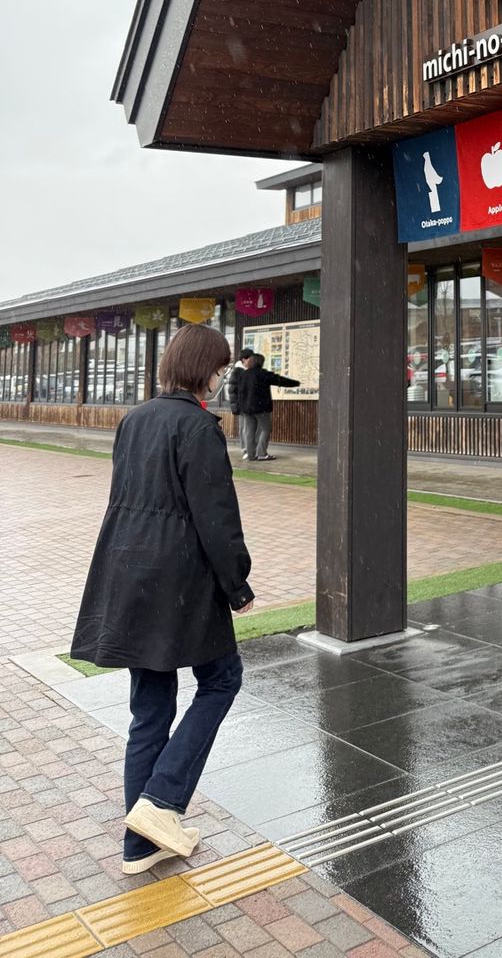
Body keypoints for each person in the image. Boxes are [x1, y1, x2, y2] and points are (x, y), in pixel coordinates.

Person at [71, 324, 254, 873]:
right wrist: (237, 585)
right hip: (181, 584)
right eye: (220, 369)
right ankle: (161, 800)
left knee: (149, 710)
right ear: (205, 370)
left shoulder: (135, 419)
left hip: (128, 577)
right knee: (222, 679)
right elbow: (216, 518)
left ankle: (139, 846)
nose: (222, 379)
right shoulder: (198, 427)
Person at [239, 351, 300, 461]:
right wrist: (296, 383)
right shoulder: (263, 374)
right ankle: (262, 453)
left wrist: (242, 407)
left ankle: (251, 455)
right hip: (261, 408)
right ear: (260, 362)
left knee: (249, 431)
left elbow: (240, 392)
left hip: (247, 409)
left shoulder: (244, 374)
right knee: (265, 429)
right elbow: (280, 380)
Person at [227, 349, 255, 461]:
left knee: (246, 428)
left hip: (245, 404)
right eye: (251, 359)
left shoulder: (243, 371)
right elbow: (233, 391)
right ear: (244, 360)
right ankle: (246, 450)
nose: (252, 361)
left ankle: (248, 450)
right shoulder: (239, 371)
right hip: (243, 404)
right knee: (245, 428)